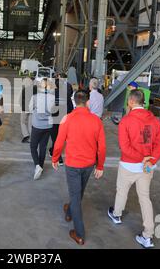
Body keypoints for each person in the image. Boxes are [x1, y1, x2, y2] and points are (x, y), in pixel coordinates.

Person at [107, 89, 160, 249]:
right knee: (145, 198)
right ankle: (148, 236)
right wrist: (150, 160)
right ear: (143, 102)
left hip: (128, 165)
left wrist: (141, 159)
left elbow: (124, 147)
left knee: (122, 191)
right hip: (147, 167)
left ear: (131, 102)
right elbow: (159, 144)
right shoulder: (152, 120)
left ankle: (117, 215)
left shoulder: (126, 121)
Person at [52, 90, 106, 245]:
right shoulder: (96, 121)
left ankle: (79, 233)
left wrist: (55, 158)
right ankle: (69, 212)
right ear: (88, 102)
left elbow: (59, 142)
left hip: (73, 165)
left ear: (74, 102)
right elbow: (101, 147)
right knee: (79, 191)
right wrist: (100, 165)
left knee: (76, 195)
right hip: (89, 165)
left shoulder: (67, 119)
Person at [29, 78, 55, 180]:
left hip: (37, 126)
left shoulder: (35, 97)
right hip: (48, 126)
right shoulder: (52, 98)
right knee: (43, 147)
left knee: (33, 146)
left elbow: (30, 109)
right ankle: (41, 166)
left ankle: (37, 166)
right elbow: (53, 111)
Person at [49, 73, 74, 166]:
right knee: (60, 137)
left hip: (54, 118)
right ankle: (52, 150)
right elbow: (70, 108)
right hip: (63, 119)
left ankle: (58, 158)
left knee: (55, 138)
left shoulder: (52, 94)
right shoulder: (67, 95)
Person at [19, 76, 36, 143]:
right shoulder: (35, 89)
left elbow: (20, 100)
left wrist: (22, 107)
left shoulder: (24, 89)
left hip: (25, 109)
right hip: (33, 109)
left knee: (23, 122)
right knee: (30, 123)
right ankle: (32, 137)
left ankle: (26, 135)